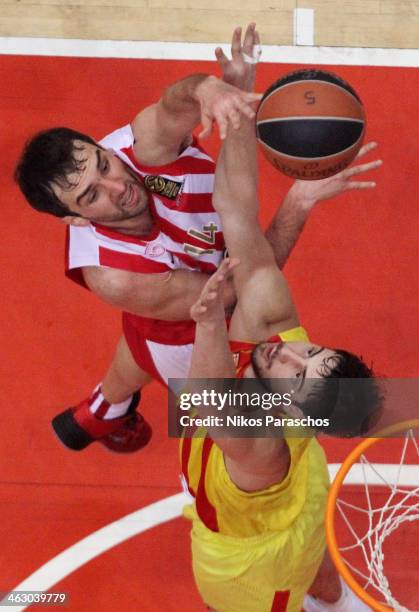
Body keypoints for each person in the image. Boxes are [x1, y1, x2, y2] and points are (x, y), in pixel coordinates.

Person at [15, 24, 381, 455]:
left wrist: (211, 88)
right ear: (75, 220)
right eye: (91, 195)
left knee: (140, 337)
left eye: (104, 165)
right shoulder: (114, 276)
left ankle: (101, 410)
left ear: (105, 148)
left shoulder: (145, 147)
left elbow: (174, 103)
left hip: (177, 290)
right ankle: (167, 465)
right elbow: (241, 293)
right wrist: (297, 203)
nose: (118, 186)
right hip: (187, 329)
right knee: (236, 439)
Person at [179, 114, 382, 610]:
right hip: (307, 490)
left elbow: (208, 400)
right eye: (311, 352)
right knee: (324, 574)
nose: (286, 348)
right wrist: (239, 110)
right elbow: (236, 212)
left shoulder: (258, 446)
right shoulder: (280, 341)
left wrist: (209, 324)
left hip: (255, 563)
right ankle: (340, 602)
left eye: (296, 371)